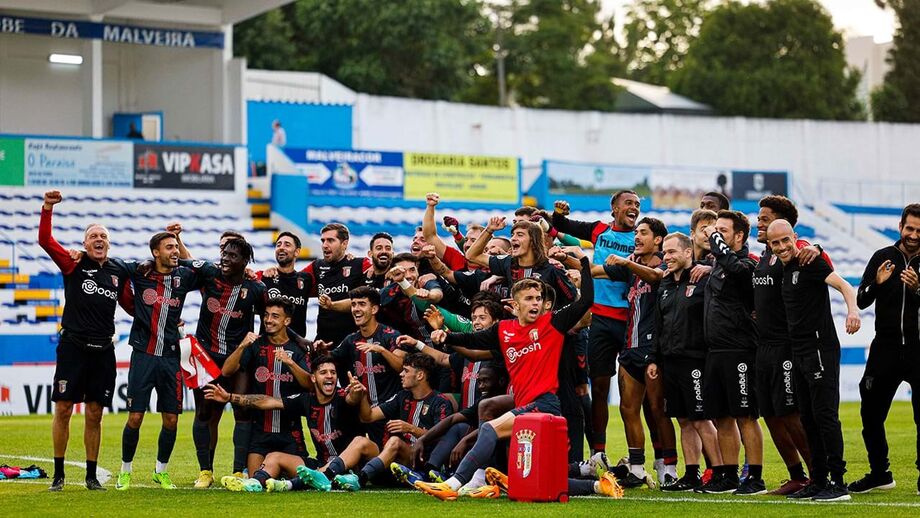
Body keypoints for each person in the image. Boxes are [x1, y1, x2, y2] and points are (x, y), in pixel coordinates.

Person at [413, 246, 594, 500]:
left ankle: (453, 484)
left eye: (538, 299)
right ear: (515, 303)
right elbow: (472, 340)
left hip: (545, 405)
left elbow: (585, 302)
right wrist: (444, 335)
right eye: (529, 299)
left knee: (489, 429)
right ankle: (598, 486)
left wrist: (584, 264)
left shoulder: (552, 323)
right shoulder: (504, 331)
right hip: (526, 406)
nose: (536, 303)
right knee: (534, 476)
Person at [38, 190, 132, 491]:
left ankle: (91, 476)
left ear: (109, 242)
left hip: (104, 349)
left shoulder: (119, 270)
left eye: (103, 235)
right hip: (73, 347)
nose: (99, 239)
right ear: (84, 244)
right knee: (64, 409)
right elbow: (45, 242)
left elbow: (136, 298)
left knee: (95, 413)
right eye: (93, 236)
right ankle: (59, 474)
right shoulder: (73, 264)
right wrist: (48, 208)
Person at [767, 219, 861, 502]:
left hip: (820, 349)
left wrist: (853, 312)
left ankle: (838, 483)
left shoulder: (811, 262)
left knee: (825, 417)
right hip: (799, 351)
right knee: (807, 418)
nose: (782, 247)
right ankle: (818, 481)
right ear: (770, 246)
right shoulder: (784, 270)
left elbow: (844, 285)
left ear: (795, 238)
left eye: (786, 240)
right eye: (776, 243)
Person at [552, 190, 640, 454]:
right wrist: (559, 213)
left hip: (631, 320)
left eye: (637, 204)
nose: (633, 207)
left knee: (633, 397)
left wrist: (580, 262)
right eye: (628, 203)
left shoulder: (642, 237)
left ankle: (651, 461)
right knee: (599, 388)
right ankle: (598, 453)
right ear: (614, 208)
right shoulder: (599, 230)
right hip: (600, 319)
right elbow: (562, 225)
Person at [592, 217, 675, 488]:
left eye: (643, 233)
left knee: (657, 410)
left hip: (654, 350)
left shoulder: (665, 264)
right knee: (628, 409)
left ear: (658, 240)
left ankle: (667, 466)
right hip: (630, 348)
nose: (637, 237)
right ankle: (637, 468)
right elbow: (599, 270)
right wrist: (572, 263)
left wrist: (628, 262)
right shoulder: (630, 267)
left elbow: (656, 276)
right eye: (636, 232)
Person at [202, 355, 367, 492]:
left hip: (348, 466)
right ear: (313, 378)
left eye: (333, 372)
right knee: (274, 457)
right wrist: (230, 398)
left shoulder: (343, 395)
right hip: (319, 464)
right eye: (323, 372)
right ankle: (254, 483)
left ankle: (304, 481)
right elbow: (268, 402)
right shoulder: (306, 400)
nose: (329, 376)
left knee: (361, 442)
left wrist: (357, 392)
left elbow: (352, 399)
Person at [114, 232, 202, 491]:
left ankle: (160, 471)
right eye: (170, 247)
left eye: (176, 247)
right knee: (135, 417)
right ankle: (125, 471)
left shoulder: (183, 276)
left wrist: (181, 240)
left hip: (171, 357)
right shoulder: (140, 272)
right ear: (155, 252)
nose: (175, 251)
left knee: (172, 420)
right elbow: (110, 264)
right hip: (143, 355)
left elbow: (204, 271)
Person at [753, 195, 825, 495]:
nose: (759, 222)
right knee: (770, 414)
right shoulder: (766, 256)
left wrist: (816, 248)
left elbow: (821, 262)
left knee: (790, 413)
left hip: (786, 346)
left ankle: (817, 474)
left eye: (764, 217)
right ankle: (796, 474)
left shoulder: (799, 250)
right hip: (763, 346)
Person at [184, 238, 268, 488]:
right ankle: (205, 472)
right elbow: (179, 262)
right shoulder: (209, 274)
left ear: (245, 262)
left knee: (242, 411)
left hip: (239, 359)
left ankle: (238, 472)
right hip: (206, 357)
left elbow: (269, 318)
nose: (226, 259)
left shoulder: (255, 288)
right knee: (205, 413)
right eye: (224, 253)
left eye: (232, 256)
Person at [850, 203, 920, 494]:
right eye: (910, 228)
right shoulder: (883, 257)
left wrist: (918, 289)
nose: (914, 234)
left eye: (919, 230)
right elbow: (862, 299)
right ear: (900, 225)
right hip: (885, 349)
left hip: (919, 349)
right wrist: (877, 284)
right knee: (871, 414)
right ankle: (880, 473)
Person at [697, 210, 765, 495]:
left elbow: (736, 270)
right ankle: (727, 474)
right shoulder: (718, 264)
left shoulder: (748, 264)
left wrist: (713, 239)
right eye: (715, 231)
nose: (715, 236)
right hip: (715, 350)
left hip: (740, 350)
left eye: (722, 232)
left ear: (739, 236)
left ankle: (756, 477)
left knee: (745, 415)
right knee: (722, 416)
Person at [650, 232, 722, 492]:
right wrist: (654, 358)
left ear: (688, 252)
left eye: (671, 252)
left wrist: (711, 269)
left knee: (702, 419)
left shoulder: (704, 279)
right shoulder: (665, 284)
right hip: (670, 361)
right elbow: (659, 324)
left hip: (696, 360)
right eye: (664, 253)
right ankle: (692, 473)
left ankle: (718, 472)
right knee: (683, 420)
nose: (666, 257)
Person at [217, 299, 312, 482]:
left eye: (275, 316)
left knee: (303, 478)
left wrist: (290, 363)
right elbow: (226, 371)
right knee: (257, 481)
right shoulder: (256, 345)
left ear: (287, 321)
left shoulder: (297, 350)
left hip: (290, 433)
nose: (268, 320)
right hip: (260, 433)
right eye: (266, 315)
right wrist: (243, 345)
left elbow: (309, 385)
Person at [322, 286, 406, 447]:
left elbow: (401, 367)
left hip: (387, 412)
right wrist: (320, 350)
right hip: (361, 410)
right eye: (353, 304)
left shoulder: (390, 335)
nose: (356, 309)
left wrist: (381, 350)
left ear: (374, 309)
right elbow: (330, 358)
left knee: (387, 459)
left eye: (361, 304)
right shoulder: (351, 340)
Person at [355, 353, 454, 486]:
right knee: (361, 441)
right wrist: (362, 395)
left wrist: (410, 429)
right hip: (399, 459)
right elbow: (368, 416)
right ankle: (328, 474)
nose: (401, 374)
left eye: (406, 371)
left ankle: (360, 478)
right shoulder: (402, 397)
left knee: (395, 441)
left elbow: (444, 439)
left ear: (420, 375)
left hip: (423, 462)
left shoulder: (441, 402)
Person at [257, 232, 313, 337]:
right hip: (267, 346)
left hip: (297, 347)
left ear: (297, 252)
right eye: (278, 245)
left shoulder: (306, 279)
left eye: (287, 245)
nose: (281, 248)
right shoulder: (264, 277)